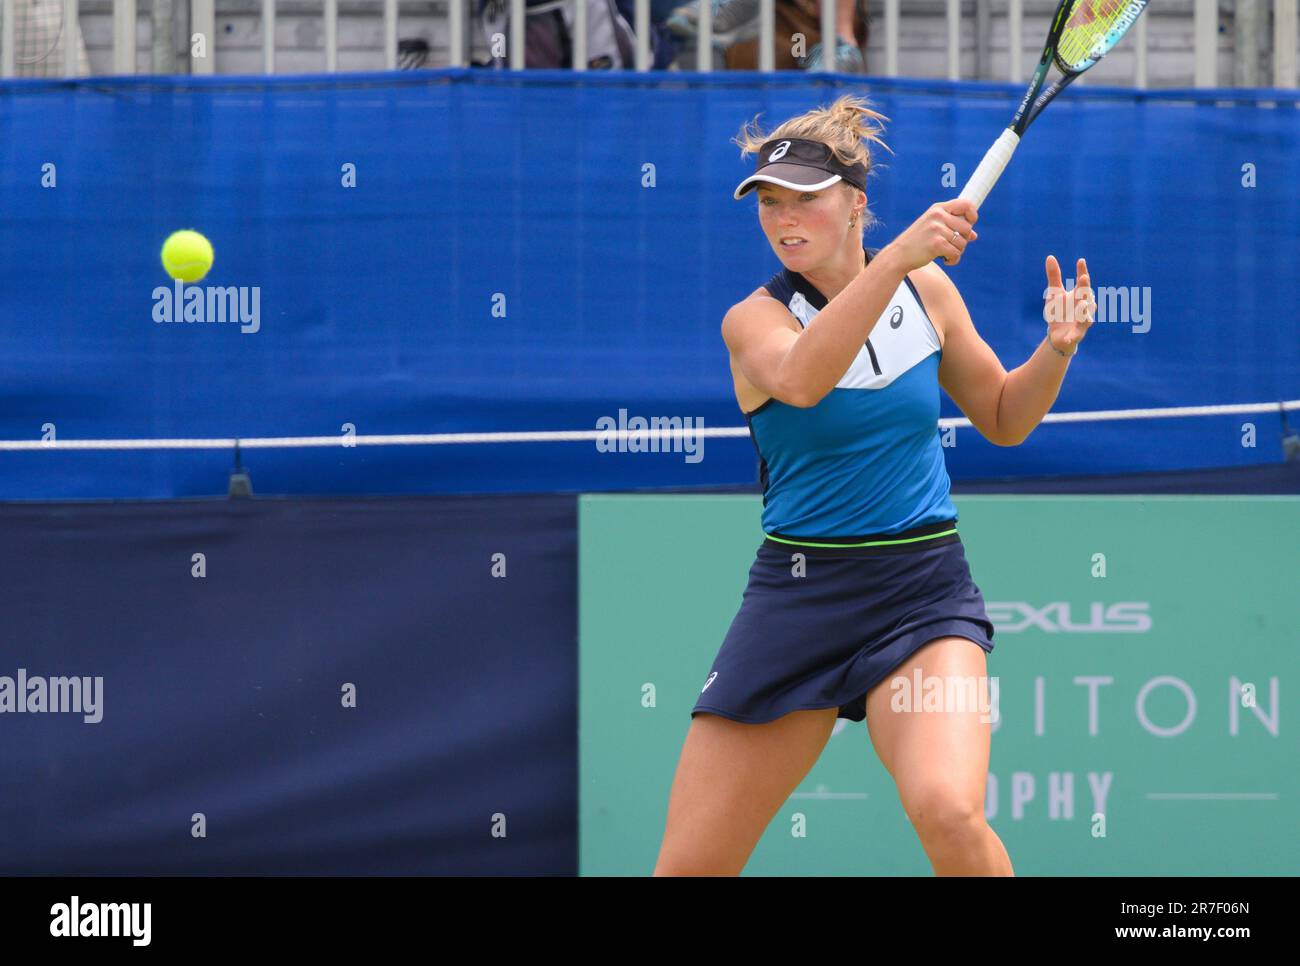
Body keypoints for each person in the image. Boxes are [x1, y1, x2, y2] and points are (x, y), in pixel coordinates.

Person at [653, 94, 1096, 876]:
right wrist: (893, 259)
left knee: (950, 812)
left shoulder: (930, 297)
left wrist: (1055, 352)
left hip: (922, 593)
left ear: (856, 204)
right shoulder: (753, 321)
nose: (784, 219)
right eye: (769, 203)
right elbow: (800, 381)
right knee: (690, 870)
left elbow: (1001, 416)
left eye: (806, 201)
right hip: (797, 600)